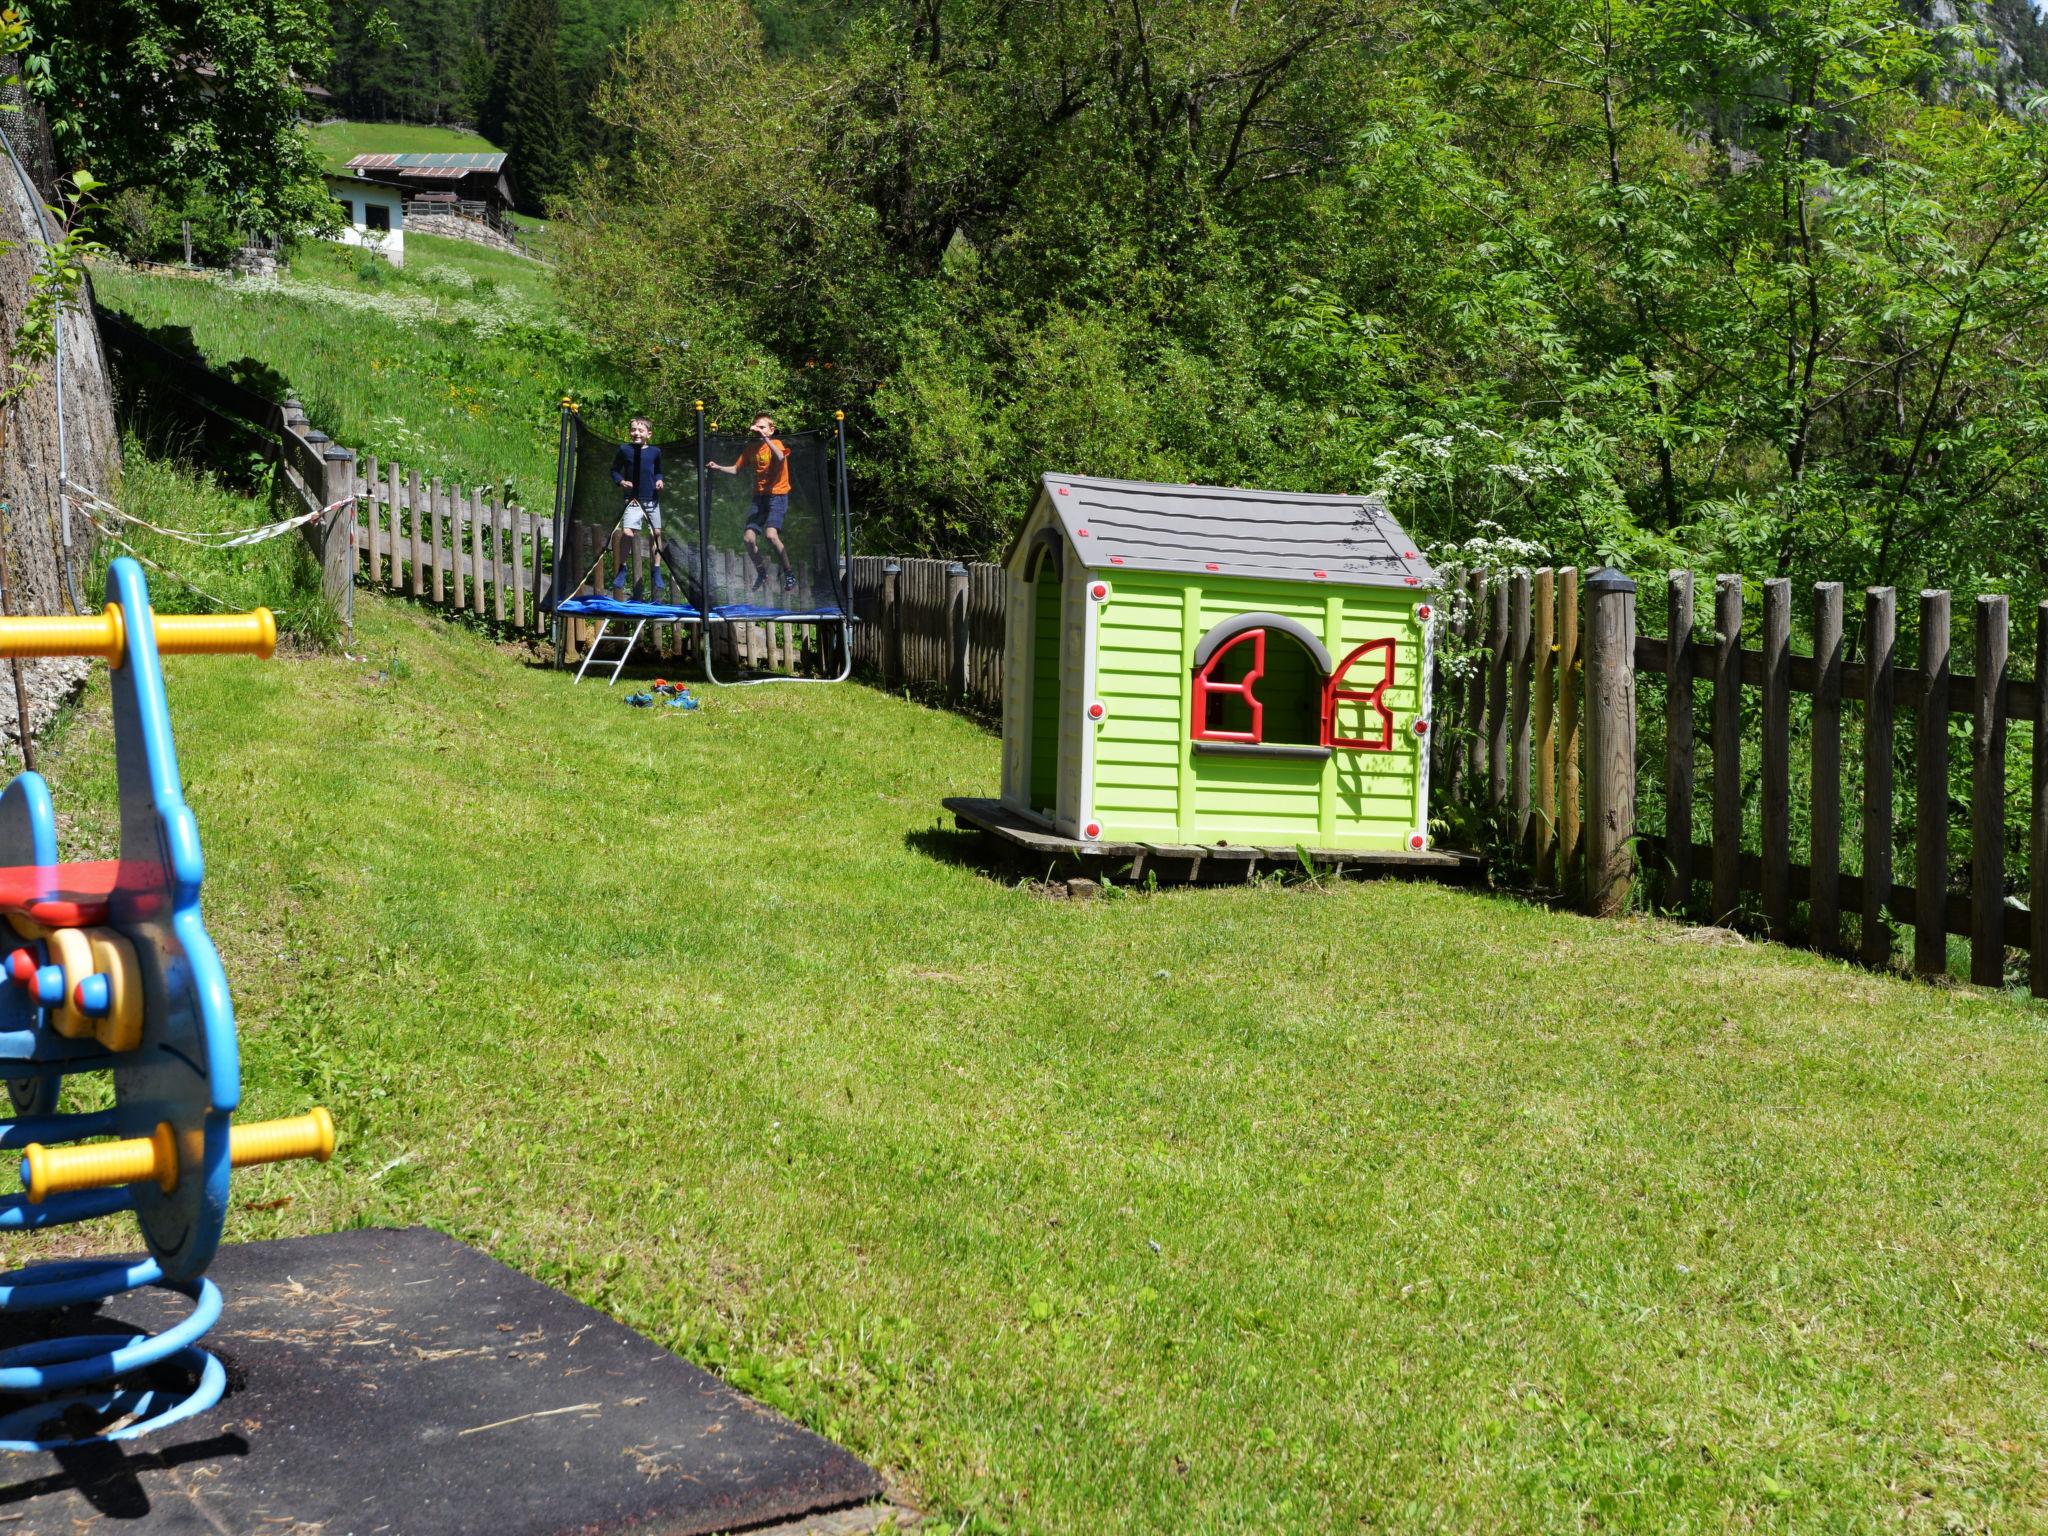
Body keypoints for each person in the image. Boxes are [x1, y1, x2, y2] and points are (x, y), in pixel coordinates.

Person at [707, 414, 796, 592]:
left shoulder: (776, 444)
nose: (758, 430)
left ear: (771, 430)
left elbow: (780, 457)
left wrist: (765, 438)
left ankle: (789, 573)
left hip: (777, 496)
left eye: (762, 427)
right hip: (760, 497)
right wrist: (718, 467)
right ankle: (762, 573)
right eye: (756, 427)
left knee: (771, 535)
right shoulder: (750, 450)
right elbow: (735, 469)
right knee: (748, 539)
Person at [608, 416, 667, 599]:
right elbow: (614, 470)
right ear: (630, 432)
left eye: (641, 431)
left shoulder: (655, 452)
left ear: (649, 434)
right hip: (632, 499)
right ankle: (622, 568)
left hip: (651, 499)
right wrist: (621, 481)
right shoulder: (624, 450)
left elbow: (658, 470)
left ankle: (656, 569)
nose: (636, 433)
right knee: (627, 532)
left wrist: (659, 480)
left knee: (656, 533)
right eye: (633, 430)